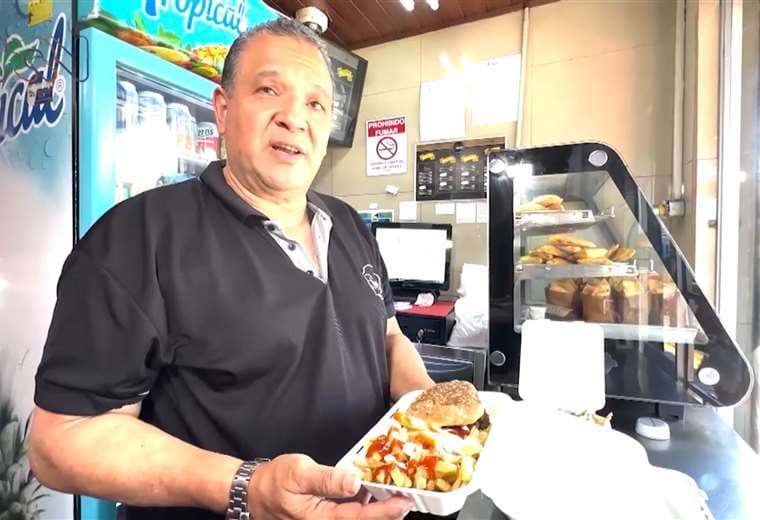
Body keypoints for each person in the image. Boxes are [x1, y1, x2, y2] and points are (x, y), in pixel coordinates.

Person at [29, 17, 434, 520]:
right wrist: (248, 486)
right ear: (222, 109)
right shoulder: (137, 237)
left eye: (315, 103)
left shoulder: (351, 224)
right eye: (269, 90)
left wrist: (430, 408)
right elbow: (60, 440)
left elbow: (387, 336)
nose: (294, 119)